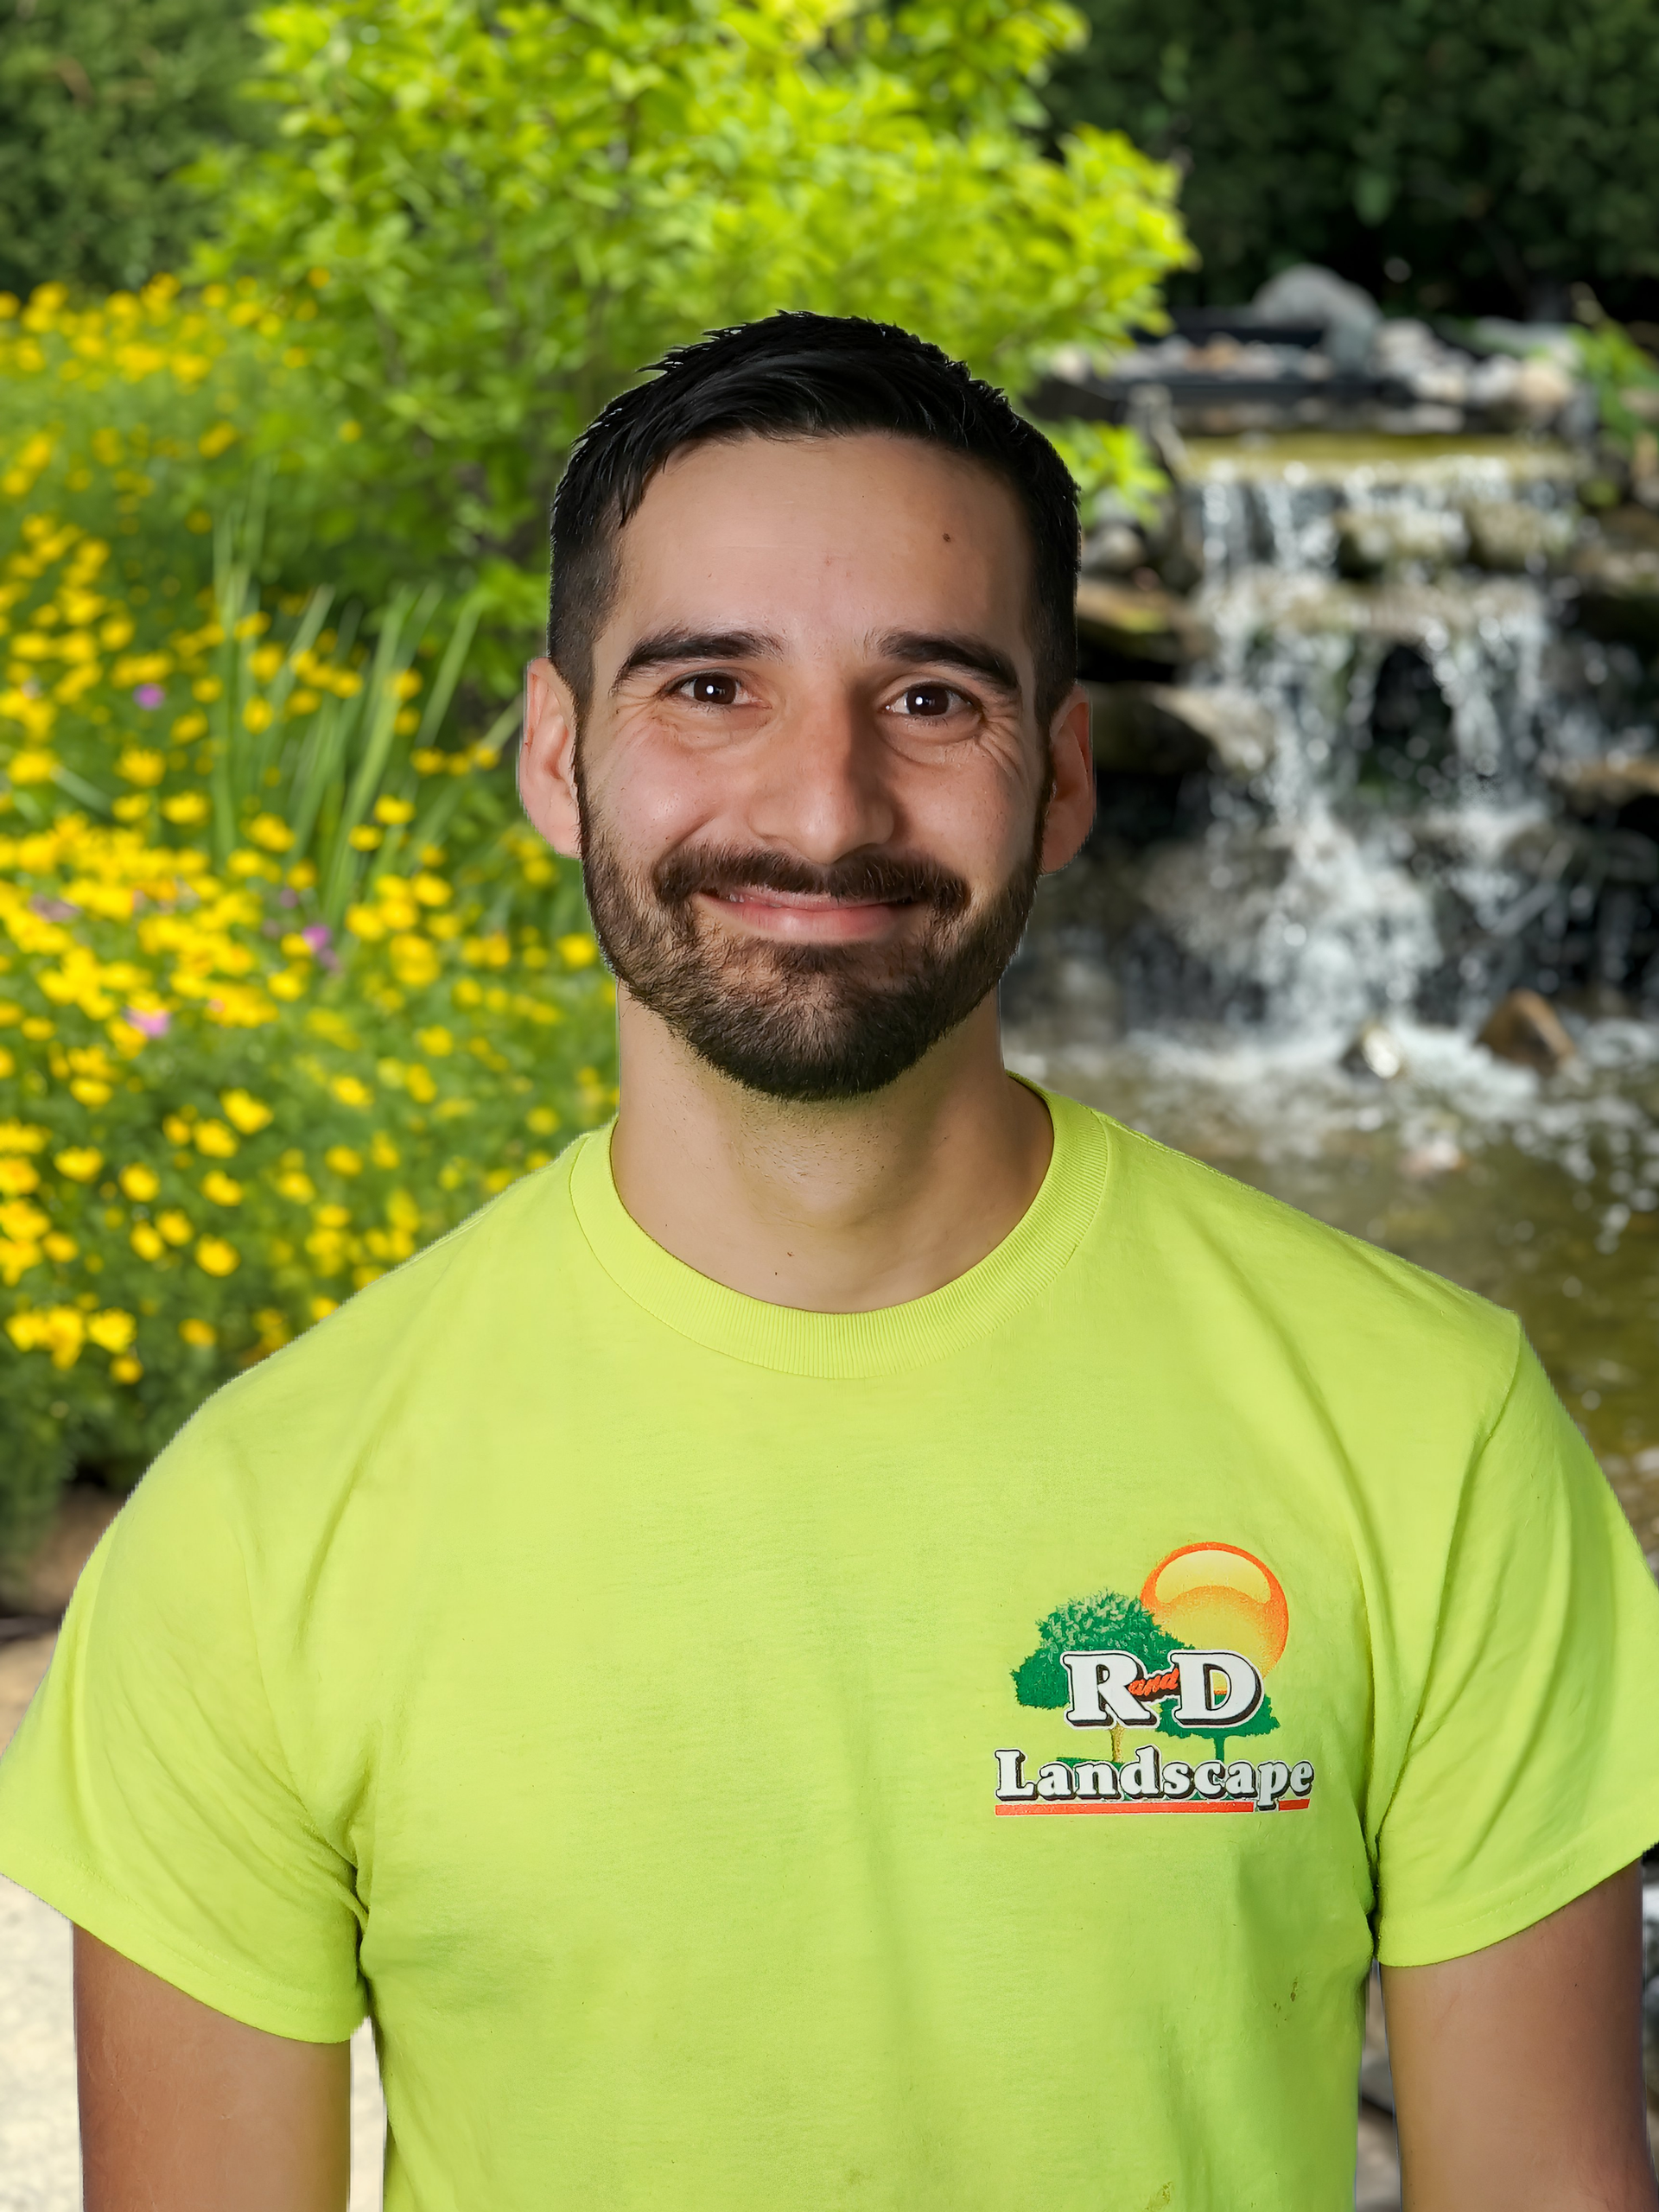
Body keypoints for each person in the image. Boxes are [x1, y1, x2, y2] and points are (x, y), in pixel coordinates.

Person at [2, 312, 1657, 2212]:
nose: (821, 806)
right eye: (711, 685)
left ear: (1058, 777)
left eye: (931, 699)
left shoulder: (1426, 1431)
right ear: (559, 755)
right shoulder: (258, 1524)